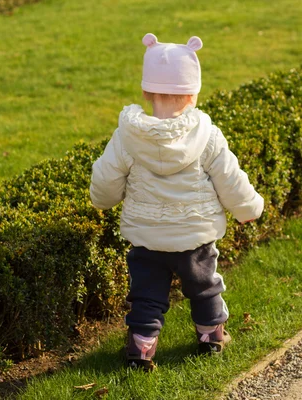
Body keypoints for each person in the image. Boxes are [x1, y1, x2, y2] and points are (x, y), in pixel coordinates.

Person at [89, 33, 264, 371]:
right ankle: (211, 336)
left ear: (146, 91)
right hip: (193, 237)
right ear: (192, 93)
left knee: (146, 295)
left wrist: (103, 200)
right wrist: (249, 208)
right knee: (204, 287)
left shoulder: (127, 136)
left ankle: (141, 348)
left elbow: (106, 182)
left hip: (147, 239)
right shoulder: (207, 135)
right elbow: (230, 178)